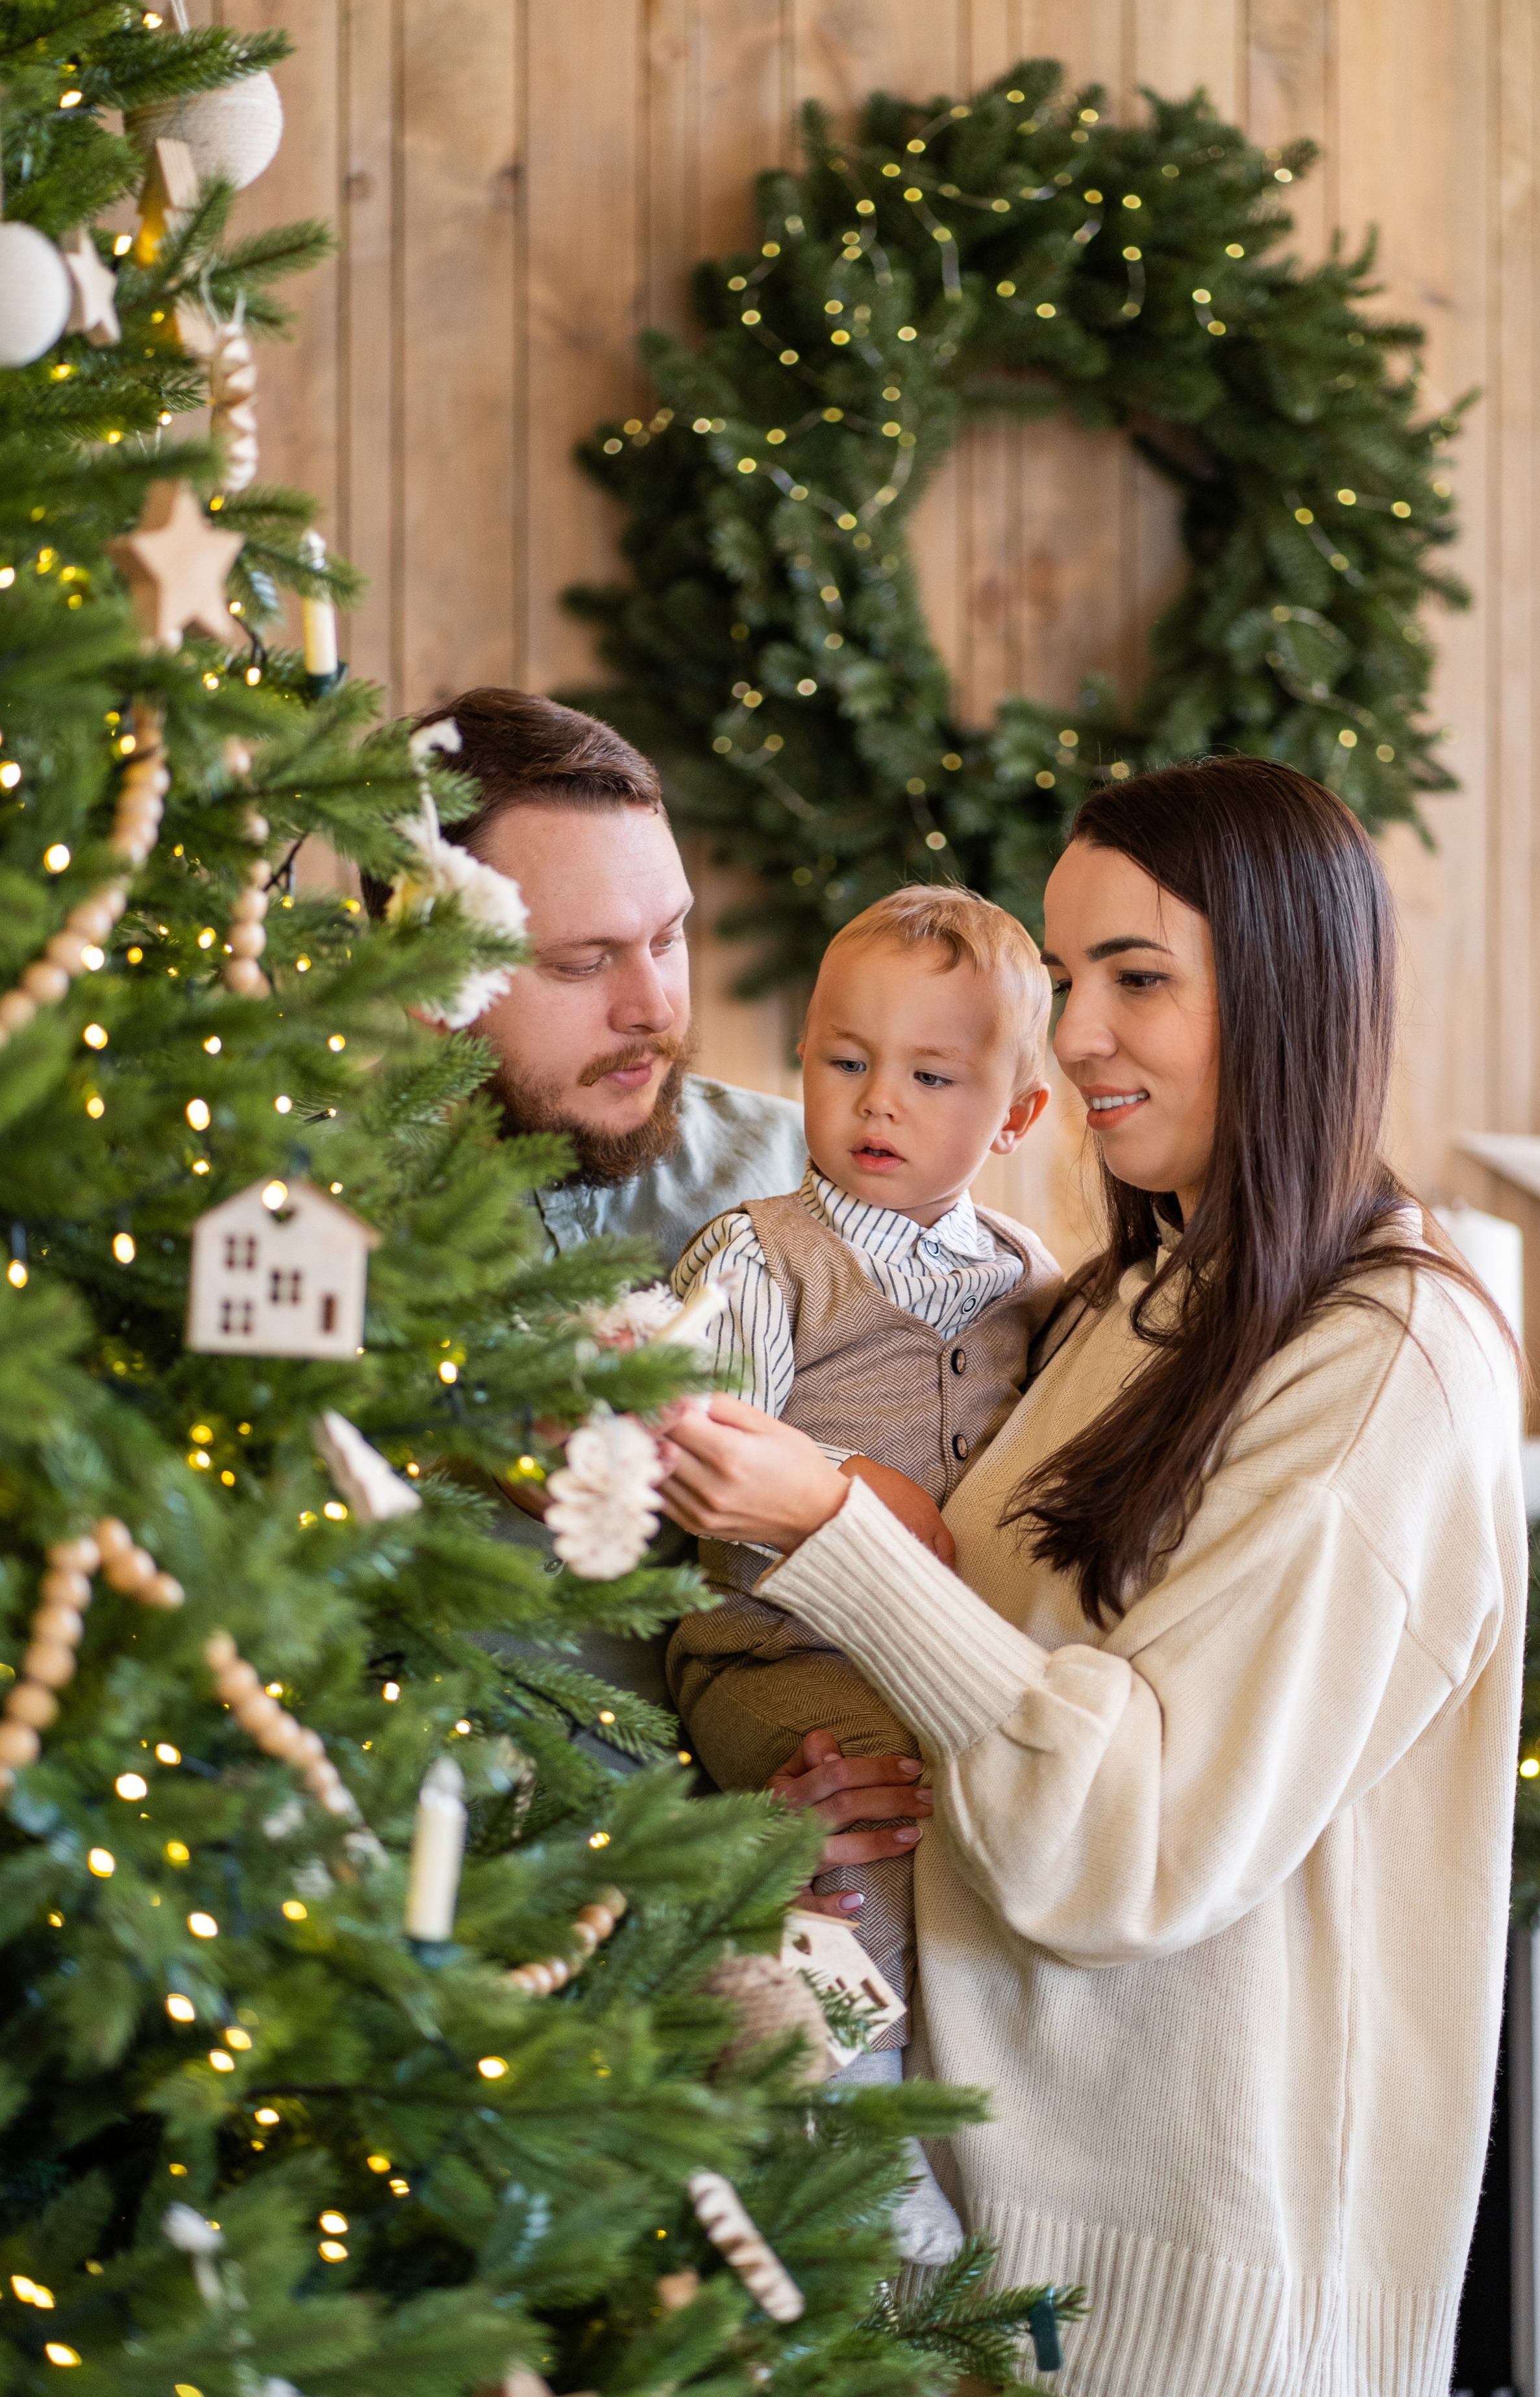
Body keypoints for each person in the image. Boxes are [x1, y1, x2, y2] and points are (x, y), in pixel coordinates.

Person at [654, 757, 1526, 2397]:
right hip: (989, 2230)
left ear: (1284, 992)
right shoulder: (1128, 1301)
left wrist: (836, 1536)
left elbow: (1120, 1847)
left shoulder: (1379, 1357)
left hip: (1173, 2300)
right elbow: (990, 1673)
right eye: (1064, 977)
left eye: (1137, 978)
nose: (1072, 1034)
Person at [665, 885, 1062, 2263]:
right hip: (774, 1655)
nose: (874, 1101)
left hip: (952, 1668)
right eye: (843, 1061)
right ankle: (834, 2155)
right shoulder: (758, 1256)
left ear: (1014, 1117)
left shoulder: (1035, 1280)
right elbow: (712, 1484)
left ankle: (984, 2161)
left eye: (930, 1074)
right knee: (874, 1819)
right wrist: (856, 1493)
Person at [410, 686, 806, 1272]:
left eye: (668, 939)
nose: (655, 1010)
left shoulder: (807, 1173)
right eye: (583, 963)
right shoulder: (293, 1200)